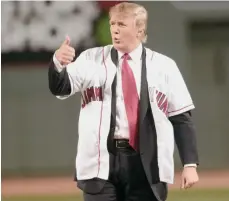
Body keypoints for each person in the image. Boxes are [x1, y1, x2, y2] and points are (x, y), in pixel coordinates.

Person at [48, 2, 199, 201]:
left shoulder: (164, 66)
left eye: (122, 24)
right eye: (112, 24)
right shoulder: (91, 59)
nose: (115, 30)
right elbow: (61, 87)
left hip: (146, 164)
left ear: (140, 29)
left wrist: (190, 164)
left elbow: (181, 118)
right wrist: (58, 63)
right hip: (100, 161)